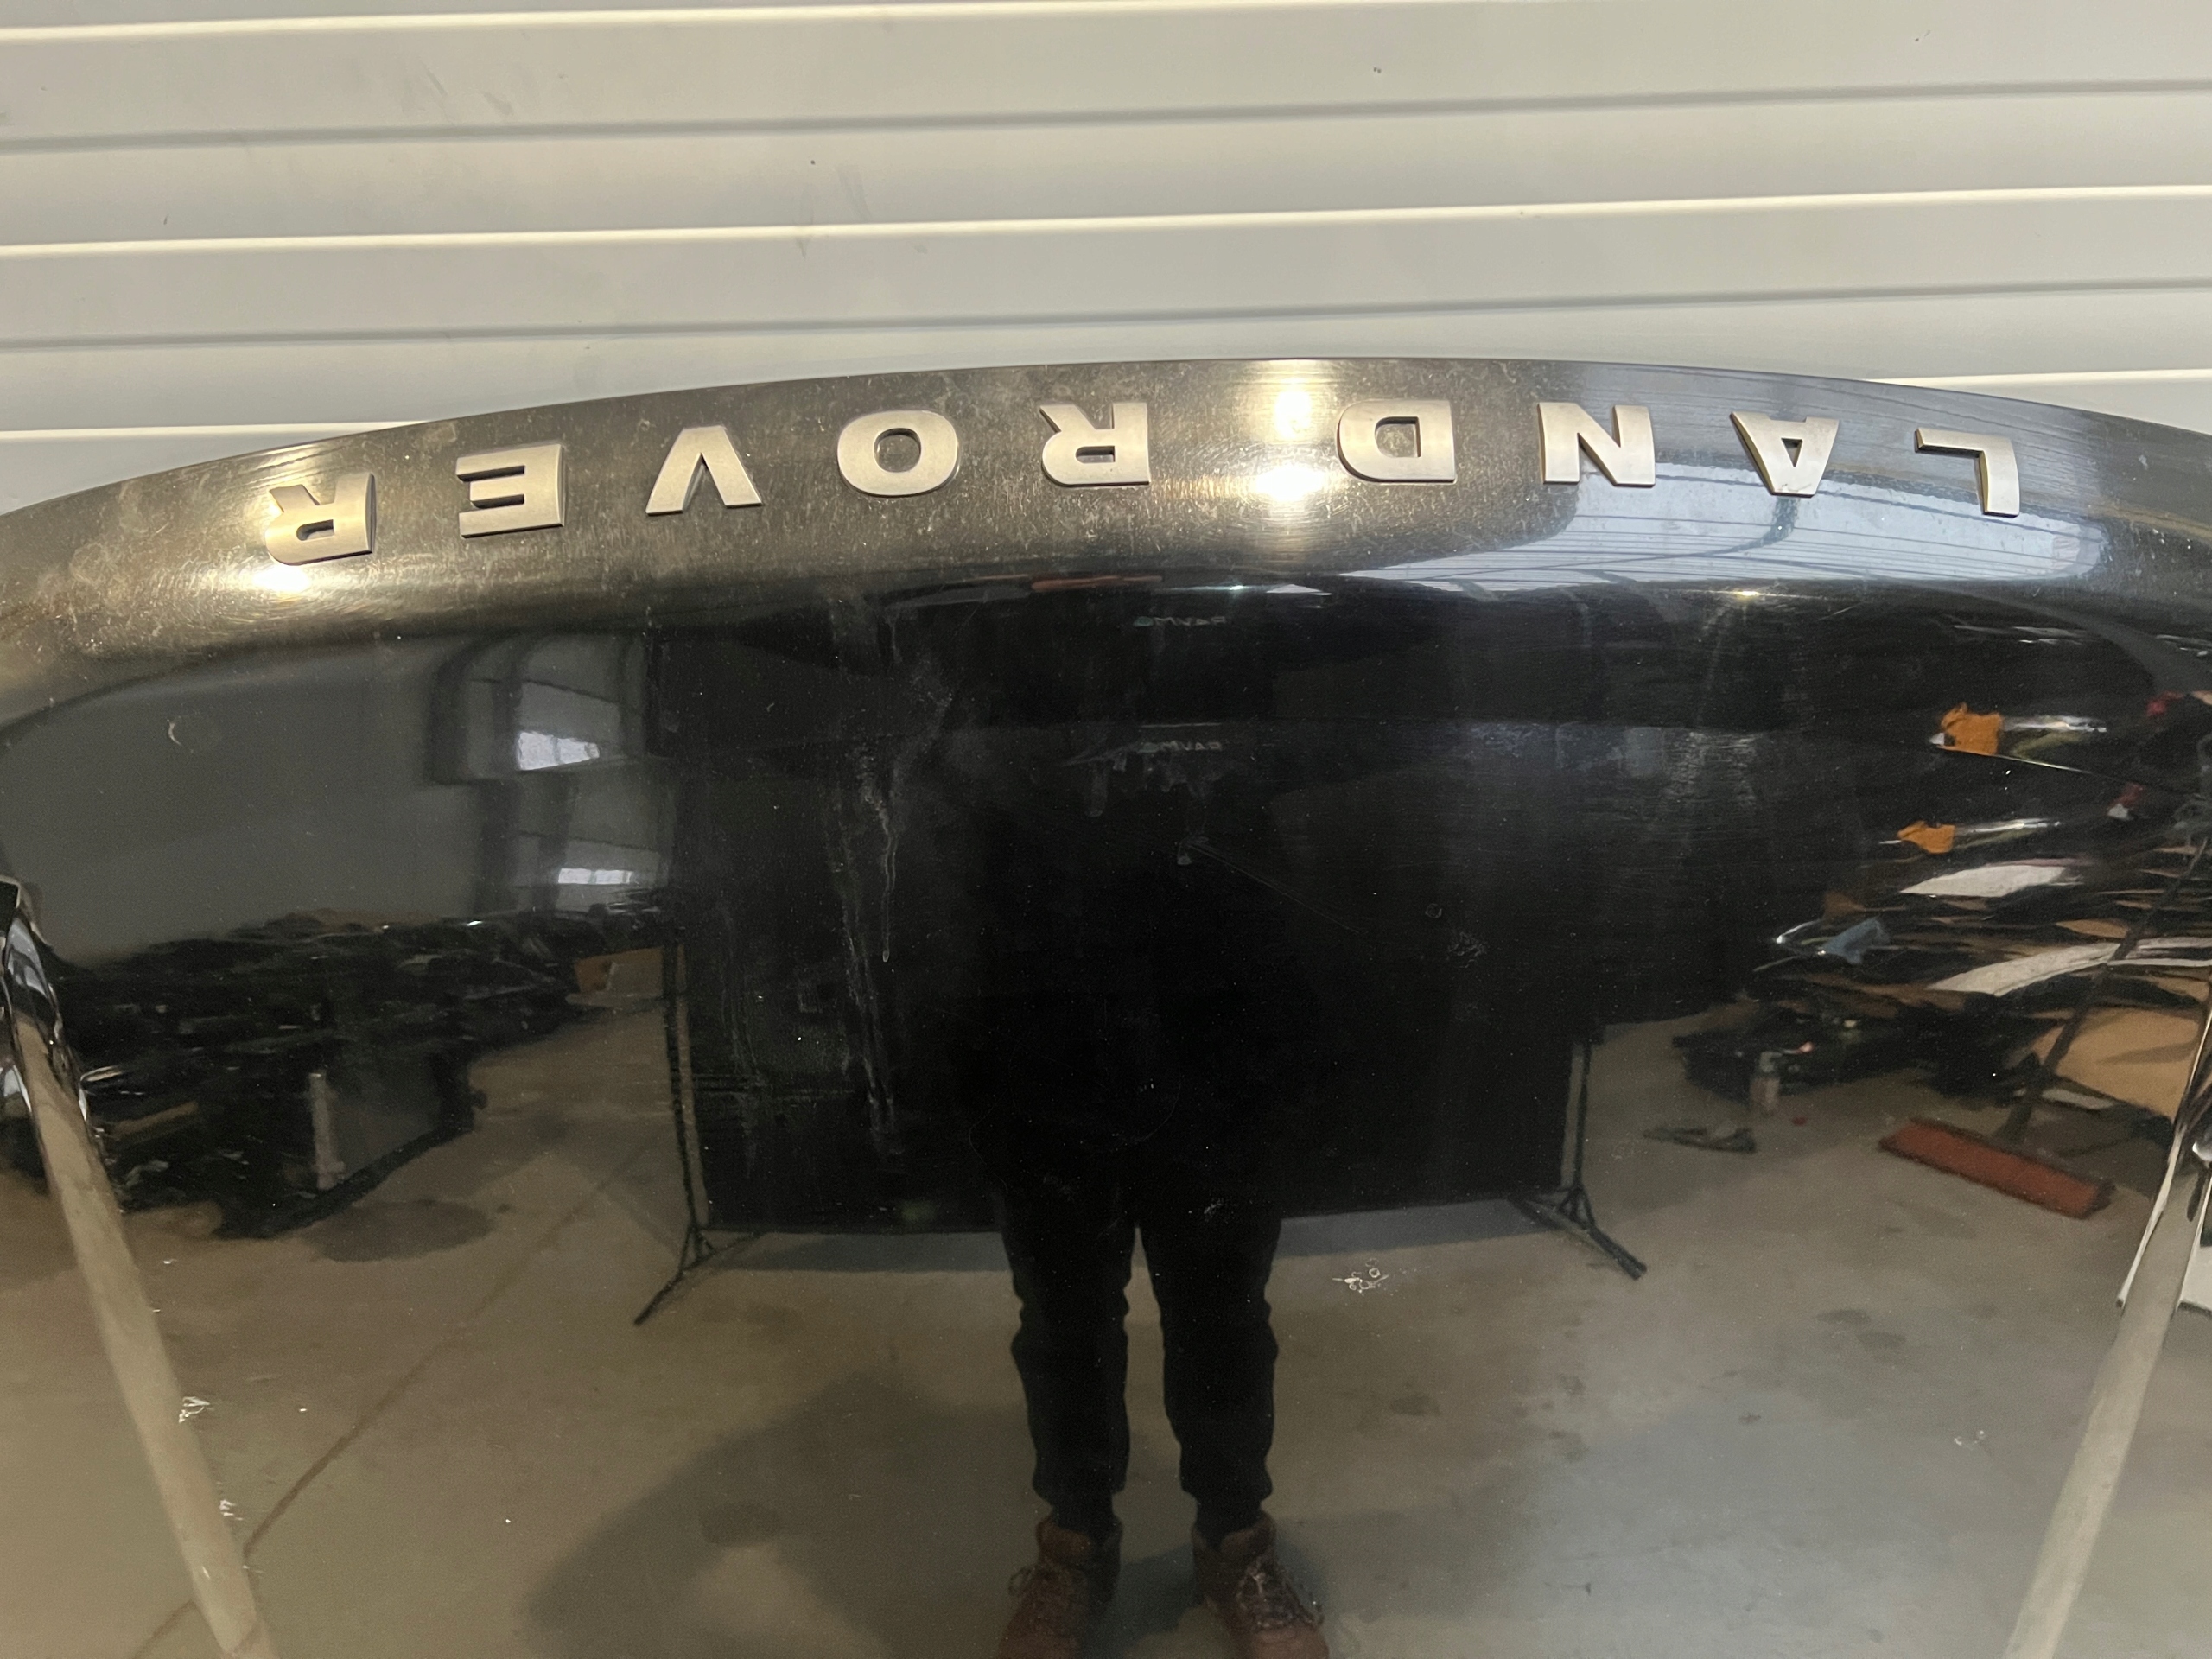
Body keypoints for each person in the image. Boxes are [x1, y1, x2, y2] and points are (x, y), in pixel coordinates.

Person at [943, 731, 1329, 1659]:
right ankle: (1076, 1547)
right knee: (1062, 1316)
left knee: (1223, 1310)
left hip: (1217, 1012)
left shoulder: (1222, 655)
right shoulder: (1014, 675)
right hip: (1042, 1009)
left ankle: (1234, 1542)